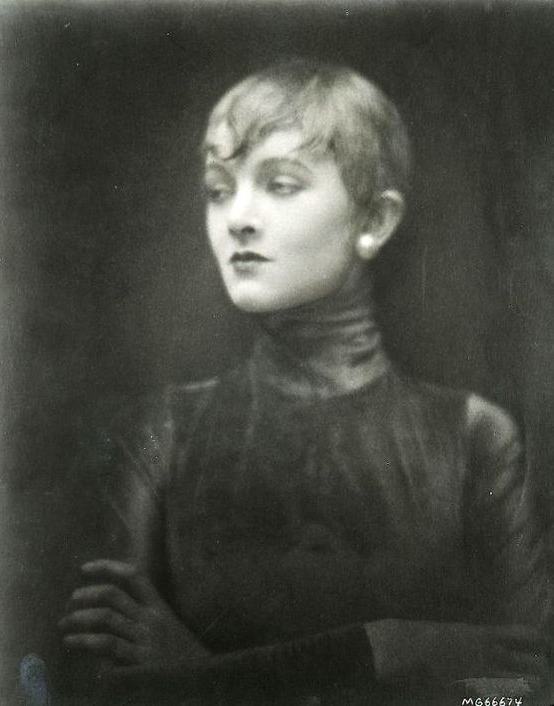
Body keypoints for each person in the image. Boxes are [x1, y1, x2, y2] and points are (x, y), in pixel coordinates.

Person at [58, 58, 552, 705]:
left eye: (281, 184)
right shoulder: (162, 433)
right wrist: (387, 652)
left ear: (374, 222)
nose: (237, 217)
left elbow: (521, 690)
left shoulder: (474, 437)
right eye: (218, 189)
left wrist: (201, 673)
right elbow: (98, 693)